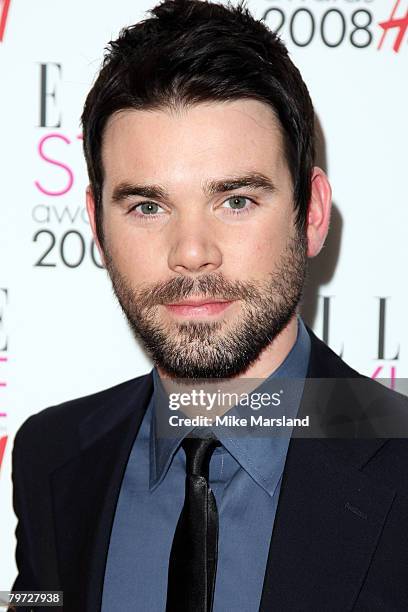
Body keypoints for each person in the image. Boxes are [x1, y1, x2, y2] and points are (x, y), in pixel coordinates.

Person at [10, 1, 408, 611]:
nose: (192, 254)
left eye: (237, 200)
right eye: (148, 206)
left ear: (313, 214)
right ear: (96, 224)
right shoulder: (53, 458)